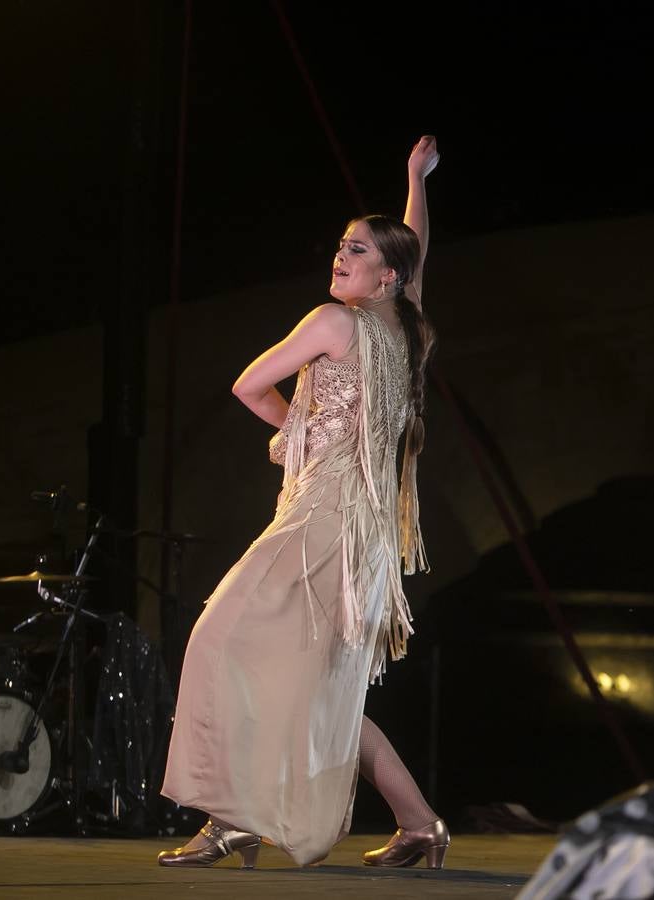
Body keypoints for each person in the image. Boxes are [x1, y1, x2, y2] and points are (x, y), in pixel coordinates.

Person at [158, 136, 444, 869]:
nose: (341, 258)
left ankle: (231, 818)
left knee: (218, 640)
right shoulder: (403, 322)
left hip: (322, 519)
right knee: (320, 693)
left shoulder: (333, 321)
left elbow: (247, 386)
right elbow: (417, 253)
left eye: (356, 252)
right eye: (342, 246)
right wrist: (414, 180)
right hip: (370, 533)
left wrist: (300, 430)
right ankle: (420, 826)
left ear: (383, 277)